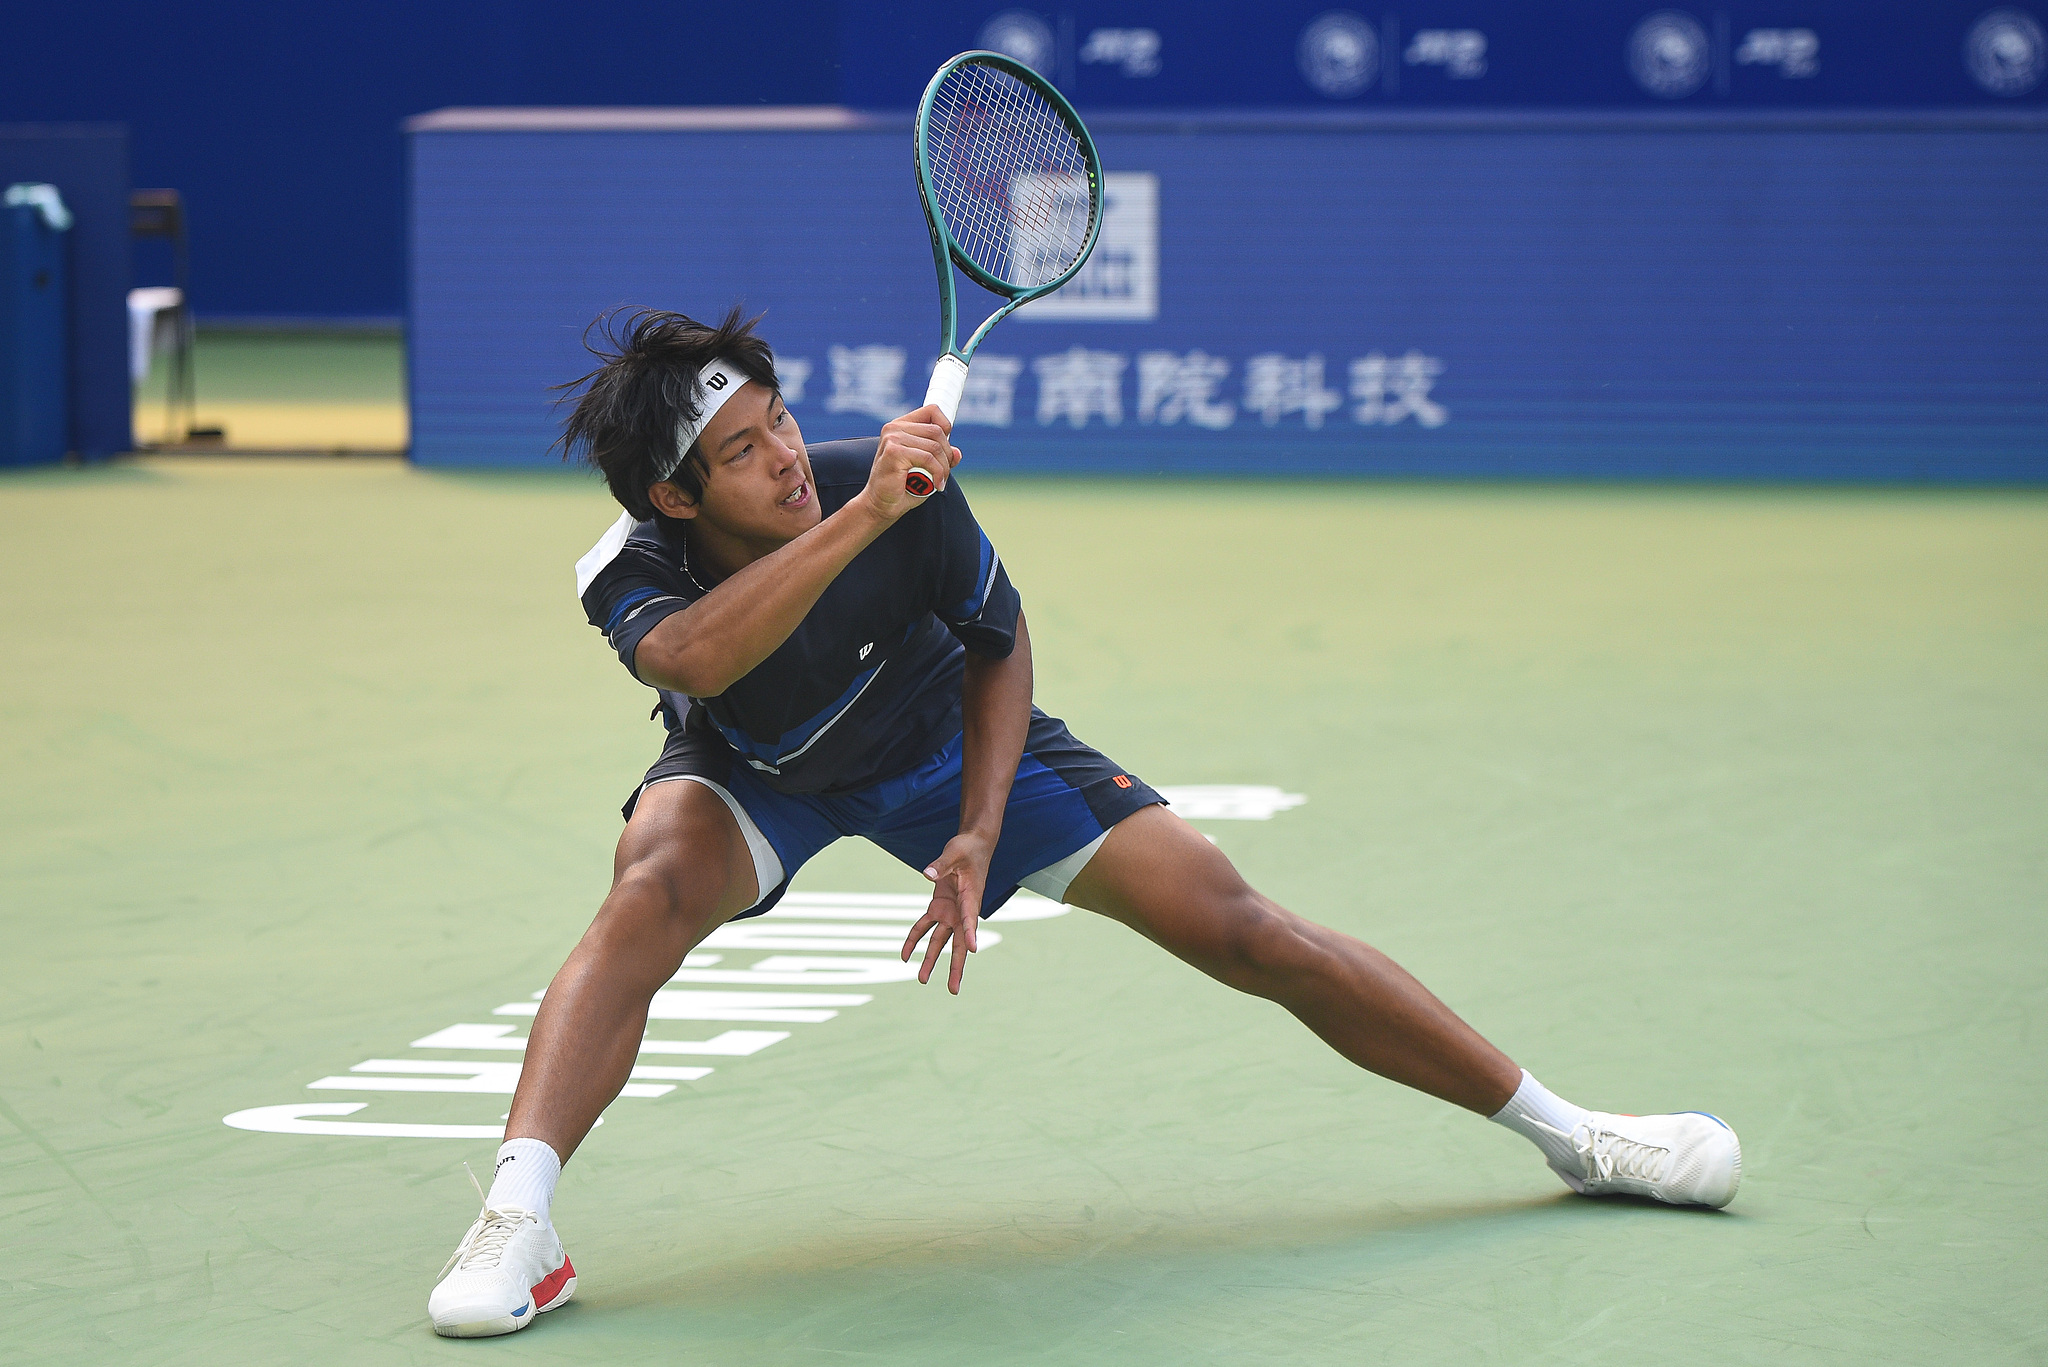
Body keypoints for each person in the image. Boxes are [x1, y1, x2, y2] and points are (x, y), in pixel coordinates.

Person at [426, 308, 1741, 1338]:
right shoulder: (637, 569)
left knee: (1240, 925)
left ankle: (1575, 1136)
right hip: (761, 758)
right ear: (673, 499)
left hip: (937, 731)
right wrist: (872, 516)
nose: (784, 458)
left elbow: (998, 642)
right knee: (646, 890)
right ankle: (516, 1222)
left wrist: (980, 831)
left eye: (781, 424)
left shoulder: (895, 489)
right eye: (741, 454)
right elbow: (703, 667)